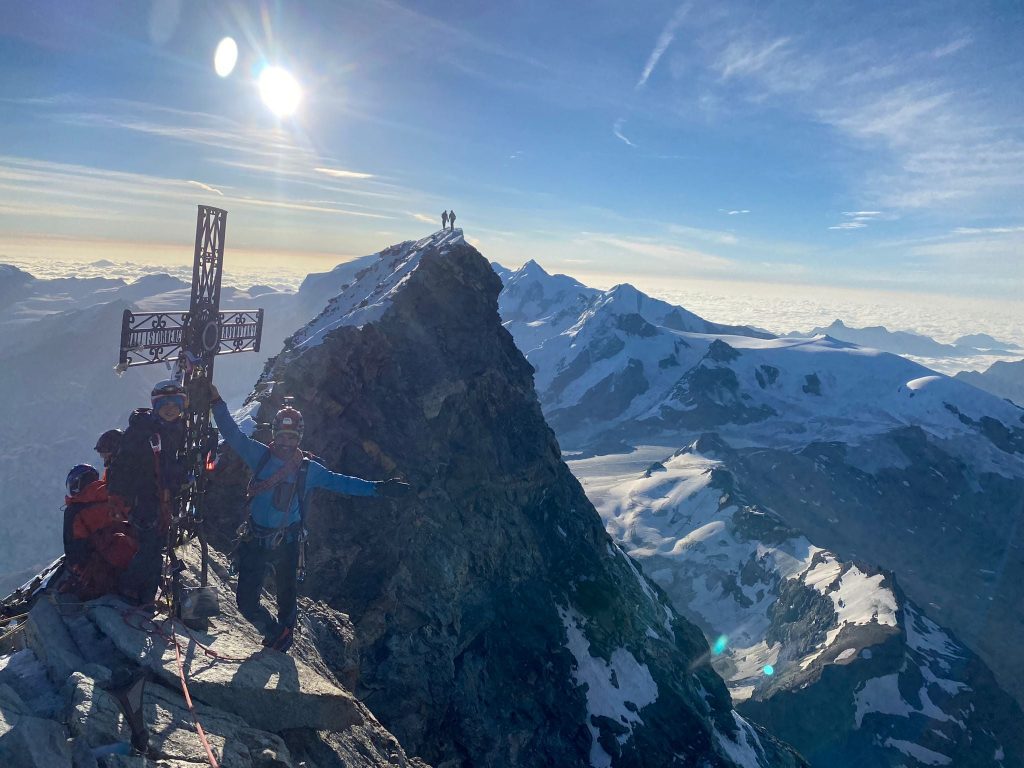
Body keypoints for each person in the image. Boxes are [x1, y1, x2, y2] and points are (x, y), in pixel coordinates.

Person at [205, 382, 410, 652]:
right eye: (283, 436)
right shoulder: (260, 455)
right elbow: (232, 433)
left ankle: (283, 636)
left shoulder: (306, 468)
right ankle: (275, 632)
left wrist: (379, 489)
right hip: (258, 538)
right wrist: (217, 402)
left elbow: (342, 483)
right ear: (275, 434)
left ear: (299, 438)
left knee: (287, 596)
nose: (286, 442)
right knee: (246, 602)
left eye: (292, 437)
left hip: (287, 542)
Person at [108, 380, 189, 605]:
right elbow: (122, 465)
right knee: (150, 548)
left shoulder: (177, 430)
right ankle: (130, 591)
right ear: (156, 406)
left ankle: (144, 596)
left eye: (175, 403)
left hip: (162, 500)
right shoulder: (142, 432)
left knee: (155, 547)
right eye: (165, 404)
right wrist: (118, 496)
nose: (170, 408)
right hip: (144, 498)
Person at [62, 464, 137, 599]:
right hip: (131, 559)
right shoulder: (115, 497)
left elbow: (75, 552)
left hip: (102, 572)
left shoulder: (74, 511)